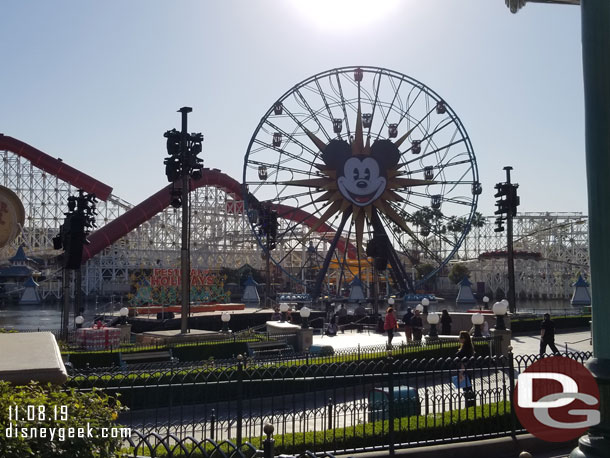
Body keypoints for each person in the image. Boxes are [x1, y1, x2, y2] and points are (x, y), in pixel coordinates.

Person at [456, 330, 476, 408]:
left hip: (464, 371)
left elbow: (464, 361)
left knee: (466, 389)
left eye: (460, 337)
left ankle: (469, 405)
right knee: (468, 387)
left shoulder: (465, 349)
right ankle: (470, 404)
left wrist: (461, 372)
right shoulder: (468, 347)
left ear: (464, 339)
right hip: (467, 370)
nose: (459, 339)